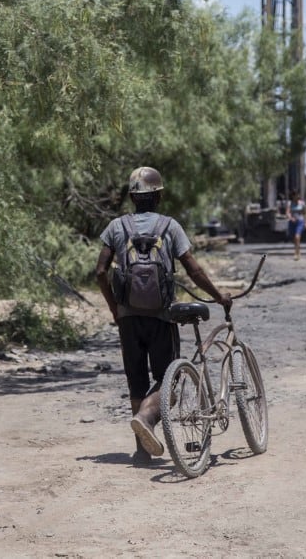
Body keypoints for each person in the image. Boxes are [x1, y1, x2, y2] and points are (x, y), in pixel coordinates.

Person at [95, 167, 232, 465]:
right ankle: (146, 418)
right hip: (162, 317)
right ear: (159, 196)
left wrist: (113, 308)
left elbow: (100, 271)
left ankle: (142, 451)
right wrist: (218, 295)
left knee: (136, 380)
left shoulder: (116, 227)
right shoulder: (170, 227)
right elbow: (193, 269)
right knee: (167, 381)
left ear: (132, 196)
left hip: (127, 318)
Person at [285, 190, 306, 260]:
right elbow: (287, 213)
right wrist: (291, 218)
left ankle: (296, 253)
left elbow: (305, 213)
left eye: (298, 195)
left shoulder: (302, 203)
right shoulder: (290, 203)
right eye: (296, 195)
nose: (298, 196)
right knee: (294, 238)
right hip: (292, 222)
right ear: (293, 196)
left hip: (300, 222)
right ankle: (298, 249)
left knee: (297, 237)